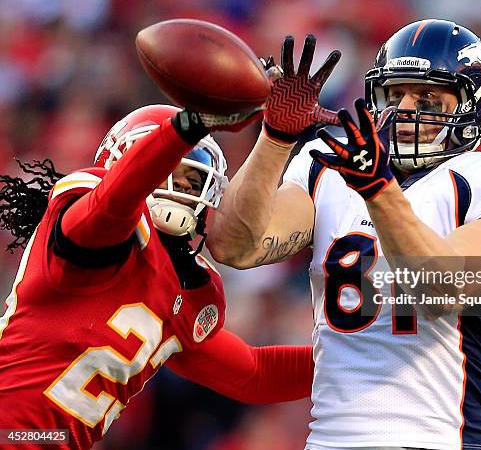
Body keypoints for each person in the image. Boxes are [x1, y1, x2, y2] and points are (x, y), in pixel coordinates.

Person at [207, 20, 481, 450]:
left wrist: (378, 189)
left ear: (472, 106)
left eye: (427, 96)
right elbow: (236, 247)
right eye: (396, 94)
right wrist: (276, 139)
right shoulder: (327, 167)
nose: (405, 109)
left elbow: (441, 289)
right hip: (327, 440)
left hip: (435, 440)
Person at [0, 104, 313, 449]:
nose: (179, 187)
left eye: (192, 181)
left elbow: (255, 374)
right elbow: (113, 205)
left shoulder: (185, 289)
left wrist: (360, 357)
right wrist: (187, 126)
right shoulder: (89, 218)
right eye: (169, 170)